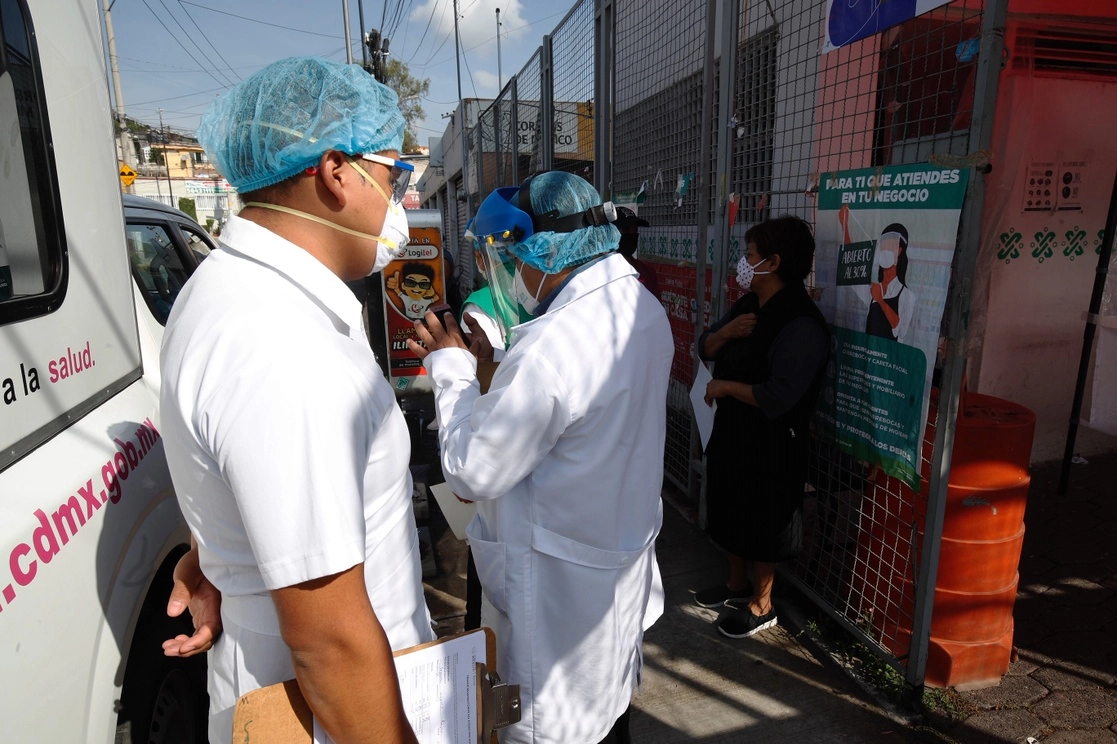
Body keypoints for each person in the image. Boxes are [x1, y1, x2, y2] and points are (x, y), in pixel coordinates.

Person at [158, 56, 434, 744]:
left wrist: (216, 553)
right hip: (331, 716)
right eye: (394, 176)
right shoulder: (280, 344)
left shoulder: (232, 292)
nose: (399, 204)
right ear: (338, 171)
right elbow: (330, 644)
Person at [408, 171, 673, 744]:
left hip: (558, 607)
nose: (501, 273)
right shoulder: (639, 308)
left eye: (504, 257)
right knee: (608, 718)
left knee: (556, 729)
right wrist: (498, 369)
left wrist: (453, 370)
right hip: (610, 577)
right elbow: (575, 412)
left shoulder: (555, 345)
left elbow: (472, 470)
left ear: (543, 250)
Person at [694, 215, 828, 639]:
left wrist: (727, 386)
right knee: (729, 502)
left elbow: (779, 394)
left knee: (765, 515)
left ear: (774, 261)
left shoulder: (801, 323)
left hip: (773, 439)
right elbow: (706, 345)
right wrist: (728, 332)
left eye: (750, 256)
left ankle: (763, 602)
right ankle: (736, 583)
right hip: (732, 430)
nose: (743, 263)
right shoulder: (749, 305)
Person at [840, 206, 916, 343]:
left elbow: (901, 330)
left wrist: (880, 301)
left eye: (890, 246)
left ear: (900, 251)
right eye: (884, 246)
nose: (885, 250)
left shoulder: (906, 295)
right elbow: (852, 265)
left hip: (889, 360)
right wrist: (844, 225)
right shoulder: (873, 290)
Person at [615, 205, 661, 301]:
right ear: (612, 233)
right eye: (626, 230)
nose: (631, 235)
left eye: (635, 230)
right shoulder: (602, 272)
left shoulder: (648, 272)